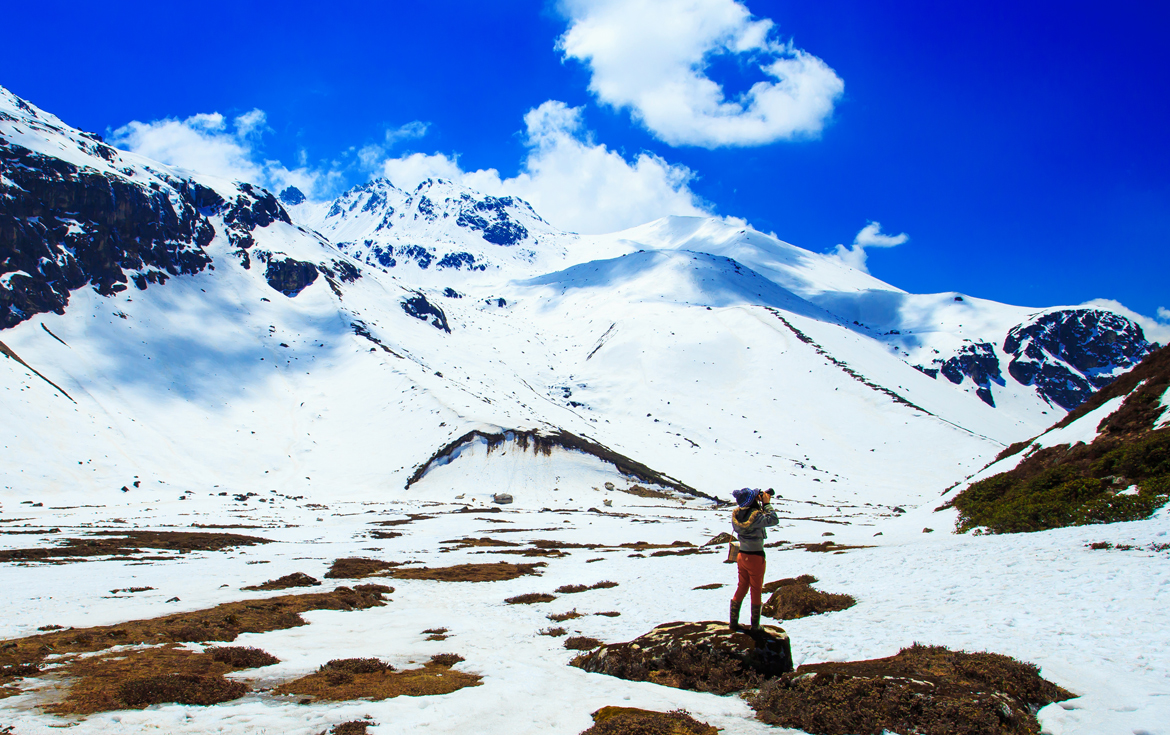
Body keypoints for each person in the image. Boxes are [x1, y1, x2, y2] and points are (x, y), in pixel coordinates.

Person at [729, 487, 778, 632]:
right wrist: (766, 504)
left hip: (742, 555)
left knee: (742, 587)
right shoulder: (755, 516)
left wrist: (756, 500)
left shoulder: (738, 515)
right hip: (755, 557)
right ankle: (755, 626)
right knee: (756, 590)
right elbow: (773, 520)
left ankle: (733, 623)